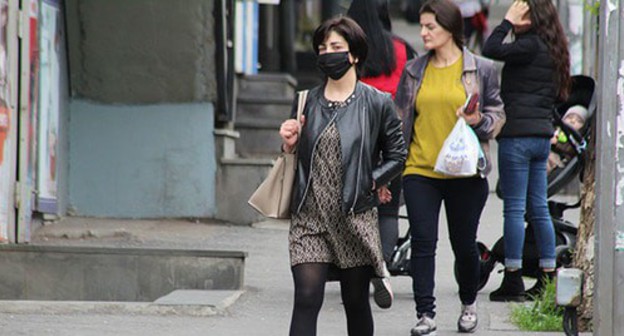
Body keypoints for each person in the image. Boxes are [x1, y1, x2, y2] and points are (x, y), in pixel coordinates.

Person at [279, 16, 407, 336]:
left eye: (336, 47)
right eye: (322, 48)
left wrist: (371, 180)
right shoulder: (305, 101)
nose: (327, 54)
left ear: (354, 55)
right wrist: (289, 144)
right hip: (310, 217)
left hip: (353, 216)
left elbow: (398, 155)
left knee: (354, 301)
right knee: (307, 298)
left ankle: (378, 275)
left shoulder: (377, 103)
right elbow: (295, 159)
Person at [393, 0, 505, 334]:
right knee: (423, 244)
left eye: (431, 27)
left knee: (464, 245)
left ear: (451, 30)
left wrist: (478, 120)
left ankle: (469, 302)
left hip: (465, 172)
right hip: (420, 170)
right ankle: (425, 315)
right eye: (422, 26)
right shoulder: (414, 70)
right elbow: (398, 120)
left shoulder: (481, 69)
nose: (423, 32)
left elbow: (498, 116)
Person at [481, 0, 571, 301]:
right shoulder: (553, 48)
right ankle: (547, 277)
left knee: (515, 209)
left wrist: (506, 21)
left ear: (532, 18)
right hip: (541, 138)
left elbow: (490, 47)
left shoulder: (528, 46)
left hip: (517, 137)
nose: (516, 15)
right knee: (538, 208)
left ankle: (513, 278)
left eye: (522, 11)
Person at [346, 0, 416, 308]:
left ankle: (357, 271)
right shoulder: (402, 49)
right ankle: (381, 266)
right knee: (387, 209)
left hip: (355, 136)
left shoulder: (348, 49)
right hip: (393, 136)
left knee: (353, 206)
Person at [547, 105, 588, 173]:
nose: (572, 121)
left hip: (561, 163)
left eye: (579, 121)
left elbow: (573, 152)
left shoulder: (579, 141)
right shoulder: (554, 130)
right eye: (569, 117)